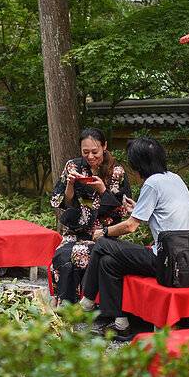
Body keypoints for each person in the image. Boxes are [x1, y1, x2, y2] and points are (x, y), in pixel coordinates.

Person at [79, 137, 189, 336]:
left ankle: (87, 300)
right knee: (109, 263)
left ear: (139, 164)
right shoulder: (174, 178)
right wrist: (137, 208)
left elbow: (131, 226)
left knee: (103, 245)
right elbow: (164, 213)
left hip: (166, 260)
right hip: (187, 255)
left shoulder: (152, 183)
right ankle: (120, 324)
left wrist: (104, 232)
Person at [49, 128, 131, 304]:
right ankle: (67, 303)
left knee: (77, 253)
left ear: (105, 146)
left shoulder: (117, 172)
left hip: (105, 235)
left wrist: (103, 190)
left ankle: (74, 302)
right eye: (85, 152)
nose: (90, 156)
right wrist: (70, 185)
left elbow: (123, 210)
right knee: (62, 255)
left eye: (95, 152)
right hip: (76, 232)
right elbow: (60, 202)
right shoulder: (73, 166)